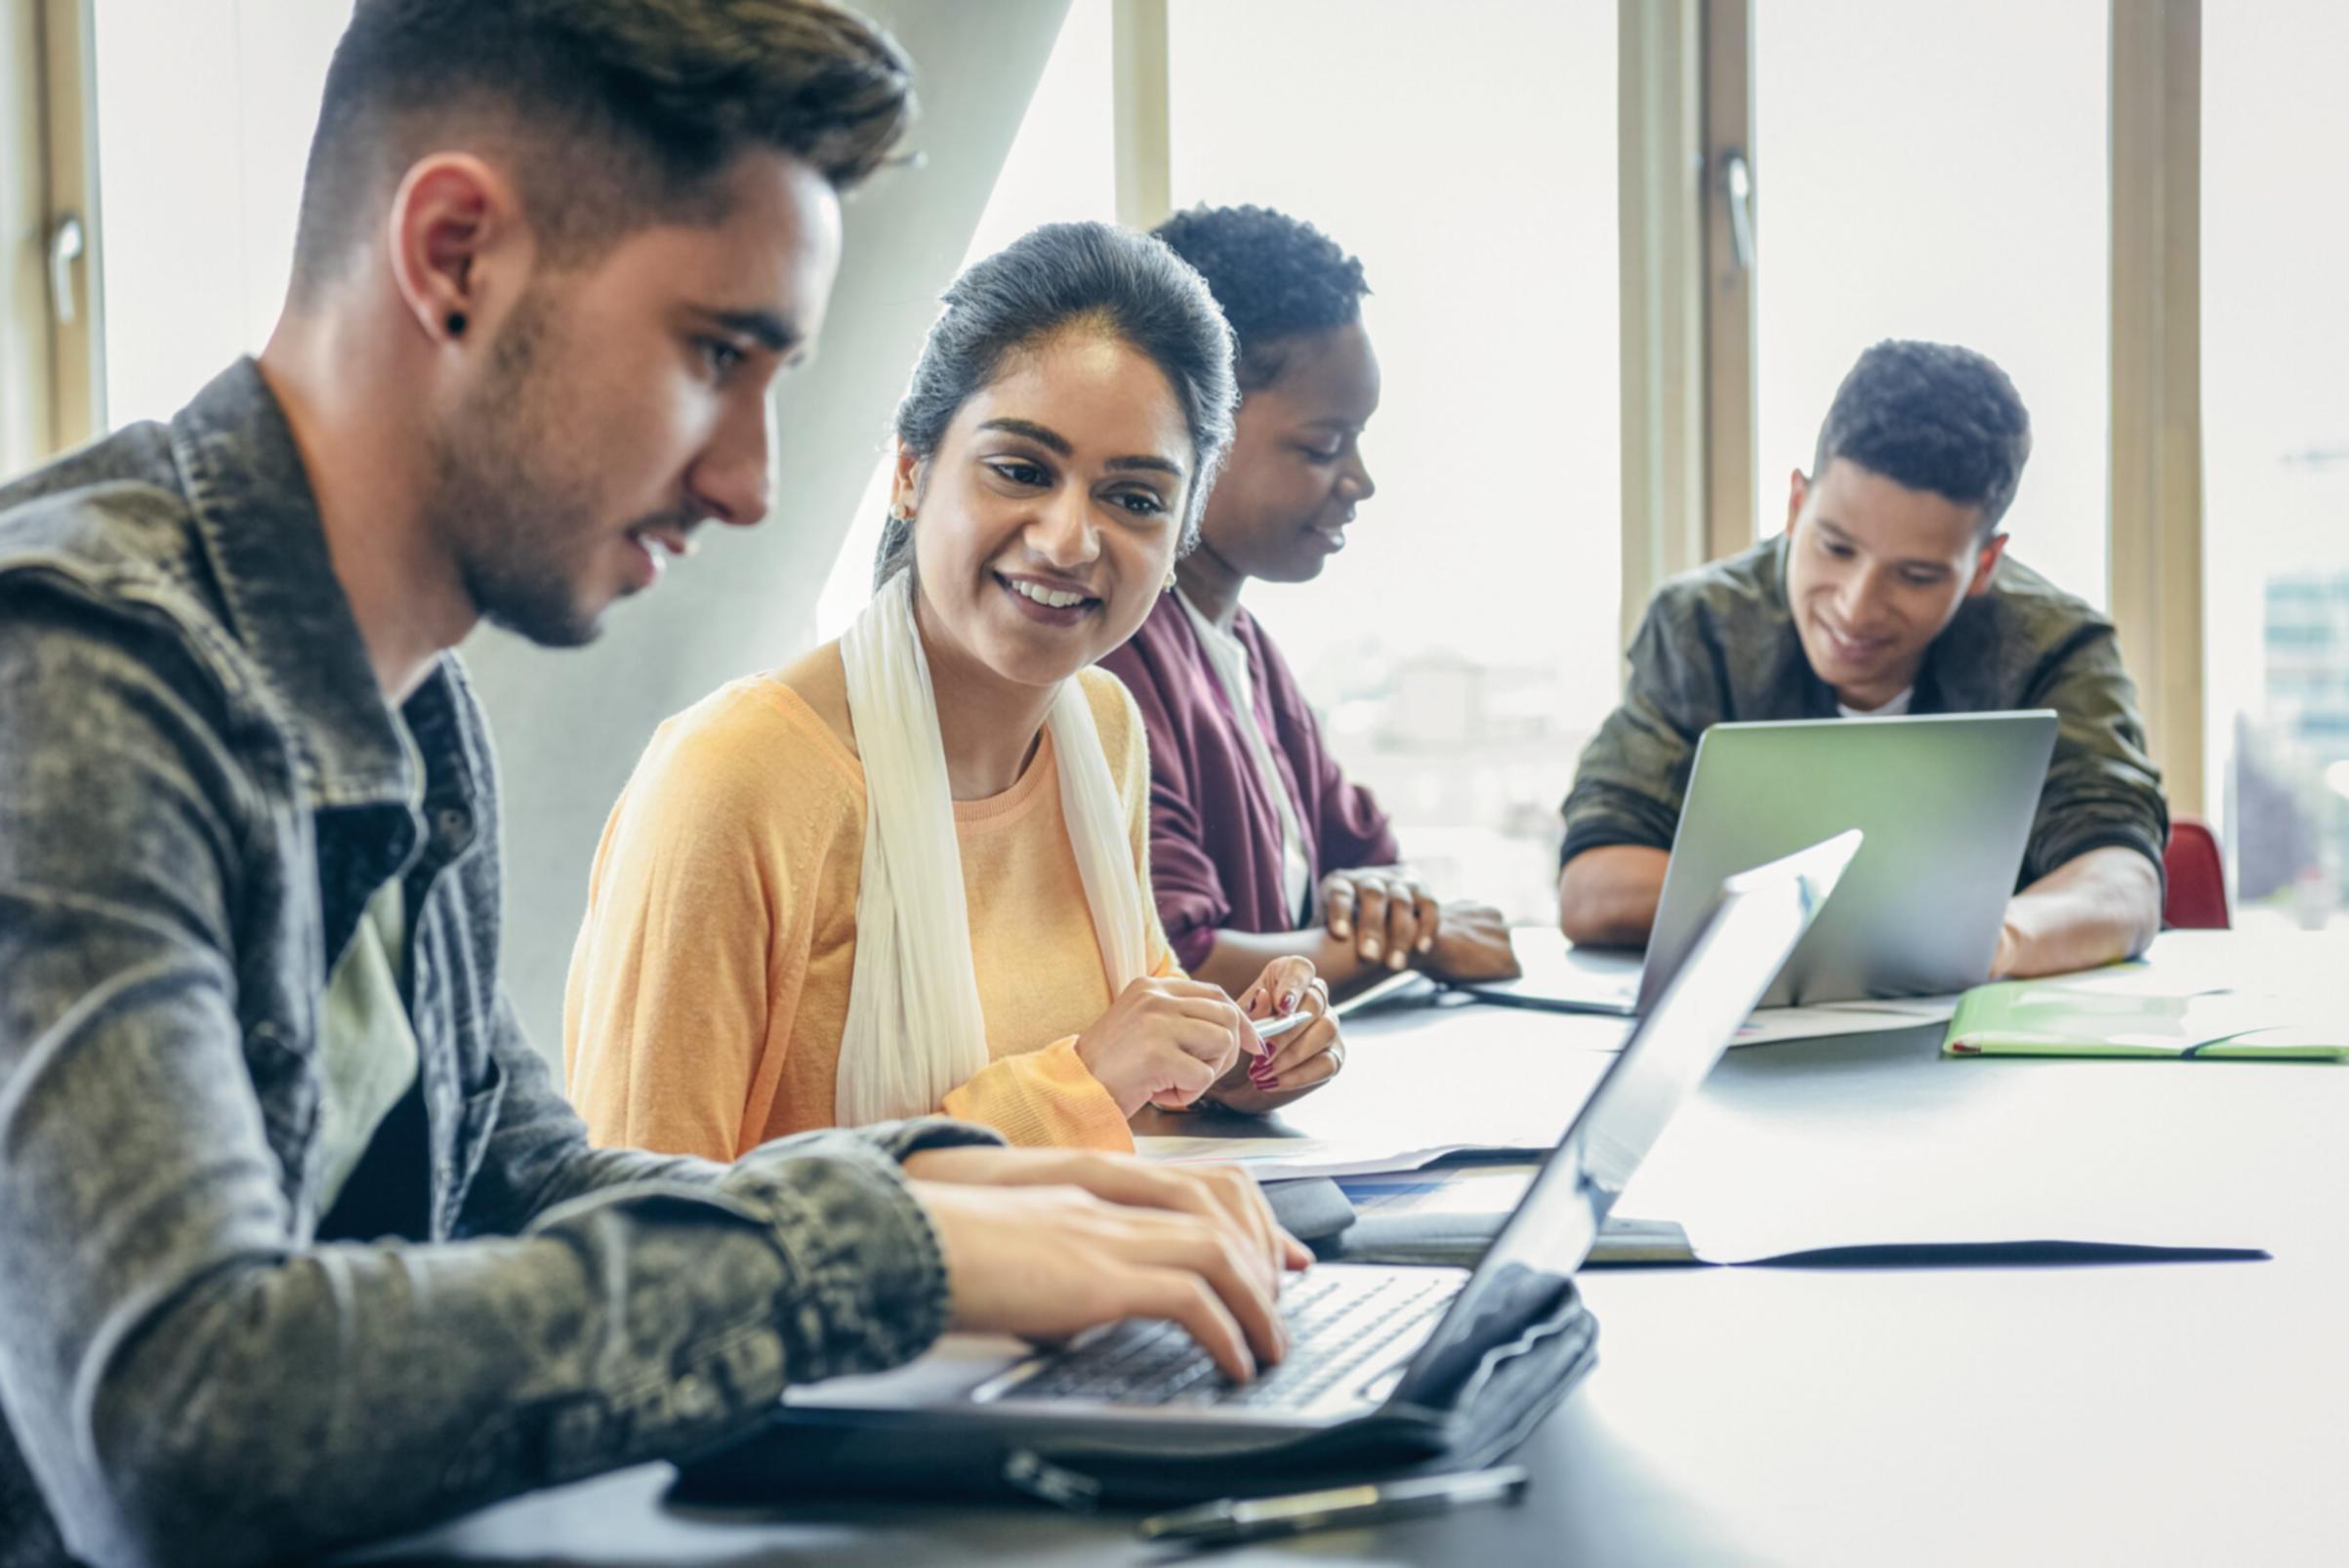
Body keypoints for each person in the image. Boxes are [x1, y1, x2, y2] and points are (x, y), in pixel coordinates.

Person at [0, 7, 1305, 1564]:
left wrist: (983, 1197)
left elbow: (514, 1177)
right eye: (713, 355)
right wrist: (880, 1250)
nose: (751, 478)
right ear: (454, 253)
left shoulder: (412, 706)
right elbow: (185, 1420)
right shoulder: (74, 672)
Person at [563, 222, 1347, 1162]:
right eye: (1021, 470)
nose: (1068, 540)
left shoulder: (1101, 733)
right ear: (909, 473)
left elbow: (1122, 1088)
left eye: (1134, 498)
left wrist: (1236, 1056)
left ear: (1181, 531)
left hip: (1085, 1292)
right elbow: (644, 1237)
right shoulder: (736, 780)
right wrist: (1081, 1083)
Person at [1558, 339, 2166, 979]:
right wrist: (1875, 921)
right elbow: (1594, 885)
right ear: (1797, 506)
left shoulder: (2055, 647)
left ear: (1983, 564)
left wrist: (1991, 943)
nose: (1856, 606)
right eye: (1836, 548)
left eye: (1916, 575)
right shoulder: (1701, 628)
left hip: (1972, 1048)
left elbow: (2121, 879)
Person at [1095, 205, 1521, 1001]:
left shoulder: (1247, 650)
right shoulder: (1113, 656)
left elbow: (1370, 868)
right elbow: (1182, 964)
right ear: (1194, 426)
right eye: (1324, 446)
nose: (1358, 480)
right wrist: (1418, 942)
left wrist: (1391, 916)